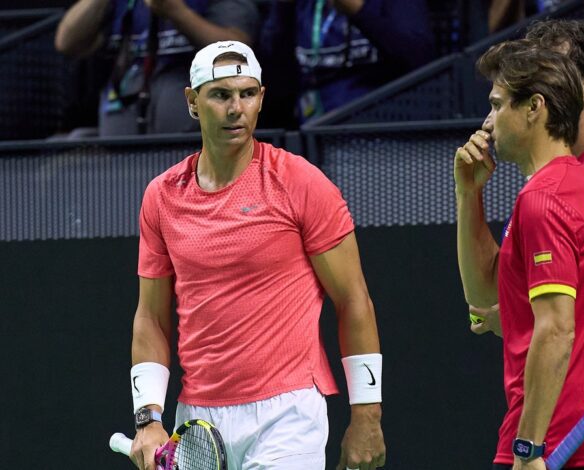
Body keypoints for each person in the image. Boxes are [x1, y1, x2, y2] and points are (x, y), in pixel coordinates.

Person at [127, 41, 385, 470]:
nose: (236, 109)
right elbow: (150, 317)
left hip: (288, 415)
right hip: (197, 420)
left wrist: (367, 417)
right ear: (192, 101)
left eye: (247, 94)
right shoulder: (162, 196)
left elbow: (354, 299)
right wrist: (148, 417)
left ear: (262, 98)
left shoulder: (301, 182)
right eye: (221, 95)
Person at [455, 39, 584, 469]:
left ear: (534, 107)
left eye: (498, 105)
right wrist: (469, 196)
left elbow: (556, 329)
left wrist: (529, 447)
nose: (488, 121)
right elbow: (483, 292)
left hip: (559, 441)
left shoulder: (544, 199)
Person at [54, 0, 258, 136]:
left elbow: (238, 51)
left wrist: (176, 12)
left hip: (196, 149)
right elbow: (66, 42)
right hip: (119, 152)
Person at [260, 0, 435, 123]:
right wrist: (284, 9)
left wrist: (359, 11)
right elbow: (276, 85)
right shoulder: (302, 5)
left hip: (379, 128)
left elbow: (420, 59)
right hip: (312, 130)